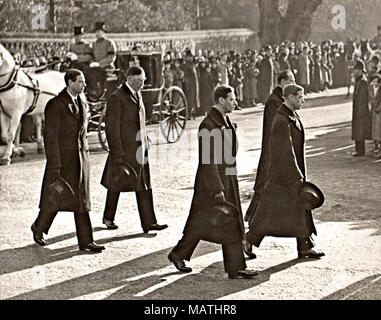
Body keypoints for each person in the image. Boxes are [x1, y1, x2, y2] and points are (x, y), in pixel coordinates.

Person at [167, 85, 258, 279]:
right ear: (221, 100)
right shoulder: (207, 125)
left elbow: (230, 151)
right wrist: (217, 188)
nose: (235, 102)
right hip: (211, 184)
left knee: (222, 221)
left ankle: (233, 267)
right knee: (202, 223)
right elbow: (207, 161)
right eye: (232, 99)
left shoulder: (224, 121)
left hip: (226, 178)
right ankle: (179, 254)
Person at [245, 84, 325, 259]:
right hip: (283, 177)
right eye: (300, 96)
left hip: (291, 175)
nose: (303, 100)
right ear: (289, 97)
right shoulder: (281, 120)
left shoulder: (291, 116)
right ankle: (249, 239)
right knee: (269, 212)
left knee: (299, 209)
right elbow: (285, 153)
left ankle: (304, 246)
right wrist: (296, 179)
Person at [31, 69, 105, 253]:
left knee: (81, 200)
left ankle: (86, 241)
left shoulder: (81, 102)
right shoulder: (55, 105)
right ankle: (39, 227)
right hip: (63, 161)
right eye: (80, 81)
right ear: (70, 82)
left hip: (80, 159)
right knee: (56, 198)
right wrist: (55, 164)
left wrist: (86, 156)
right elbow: (51, 138)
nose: (84, 85)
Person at [100, 66, 168, 233]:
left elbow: (140, 120)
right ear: (129, 78)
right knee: (116, 183)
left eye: (143, 81)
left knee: (144, 186)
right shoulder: (117, 97)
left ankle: (149, 223)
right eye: (138, 81)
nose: (142, 84)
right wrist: (117, 153)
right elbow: (112, 128)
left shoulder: (138, 94)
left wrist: (145, 137)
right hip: (124, 150)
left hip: (139, 149)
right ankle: (108, 217)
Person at [244, 70, 295, 226]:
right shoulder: (274, 101)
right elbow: (276, 128)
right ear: (282, 82)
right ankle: (252, 217)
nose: (293, 83)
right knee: (265, 184)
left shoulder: (280, 99)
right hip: (272, 149)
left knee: (267, 184)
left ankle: (252, 216)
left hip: (274, 148)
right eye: (290, 80)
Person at [87, 22, 117, 97]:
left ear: (103, 32)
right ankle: (91, 92)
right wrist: (92, 62)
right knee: (86, 71)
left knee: (93, 73)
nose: (97, 34)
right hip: (96, 67)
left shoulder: (109, 43)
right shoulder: (94, 44)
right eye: (96, 32)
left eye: (99, 32)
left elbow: (111, 58)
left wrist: (99, 64)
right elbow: (91, 56)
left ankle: (97, 92)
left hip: (107, 67)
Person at [351, 60, 372, 157]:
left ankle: (360, 151)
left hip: (361, 110)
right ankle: (358, 150)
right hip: (357, 109)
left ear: (360, 70)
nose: (354, 72)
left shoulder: (363, 82)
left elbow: (363, 99)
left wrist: (359, 111)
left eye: (355, 70)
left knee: (360, 130)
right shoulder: (358, 81)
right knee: (358, 130)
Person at [368, 74, 381, 158]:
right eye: (374, 81)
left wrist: (379, 108)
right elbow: (370, 99)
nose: (375, 83)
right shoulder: (370, 89)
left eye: (377, 81)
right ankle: (375, 146)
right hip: (373, 111)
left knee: (379, 129)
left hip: (379, 112)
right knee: (374, 130)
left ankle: (379, 148)